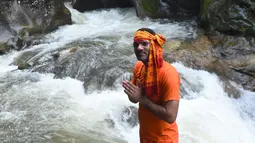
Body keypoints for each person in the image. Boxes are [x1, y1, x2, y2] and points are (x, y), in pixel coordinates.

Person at [122, 28, 180, 143]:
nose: (139, 48)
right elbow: (135, 99)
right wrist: (132, 94)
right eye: (136, 45)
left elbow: (171, 116)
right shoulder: (139, 67)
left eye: (144, 44)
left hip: (164, 139)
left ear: (154, 45)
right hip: (145, 136)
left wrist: (142, 99)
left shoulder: (168, 74)